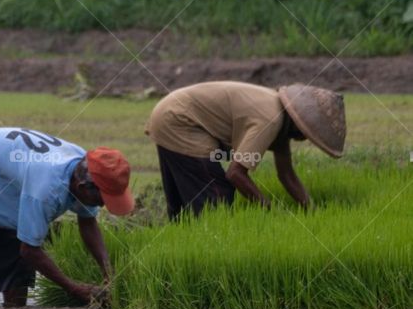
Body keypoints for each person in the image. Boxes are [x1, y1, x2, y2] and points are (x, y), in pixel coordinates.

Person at [0, 127, 135, 309]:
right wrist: (75, 289)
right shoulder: (46, 189)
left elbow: (88, 223)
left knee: (17, 270)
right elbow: (30, 251)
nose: (102, 206)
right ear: (83, 188)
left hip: (2, 183)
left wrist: (110, 274)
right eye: (101, 200)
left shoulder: (82, 167)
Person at [145, 81, 346, 219]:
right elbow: (235, 173)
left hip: (169, 114)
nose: (305, 139)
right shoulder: (271, 120)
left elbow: (286, 174)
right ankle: (209, 258)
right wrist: (268, 209)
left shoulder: (280, 116)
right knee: (218, 199)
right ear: (300, 126)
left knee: (183, 210)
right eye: (308, 134)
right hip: (181, 122)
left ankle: (184, 245)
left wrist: (311, 210)